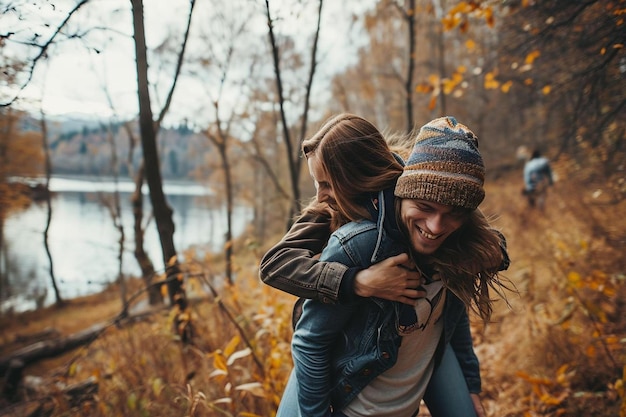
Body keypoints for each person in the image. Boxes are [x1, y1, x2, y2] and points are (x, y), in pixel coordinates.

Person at [261, 114, 511, 416]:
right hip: (342, 372)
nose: (320, 196)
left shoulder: (434, 201)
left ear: (355, 179)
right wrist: (357, 282)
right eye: (318, 184)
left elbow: (454, 311)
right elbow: (276, 267)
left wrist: (493, 255)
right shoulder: (345, 228)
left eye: (328, 184)